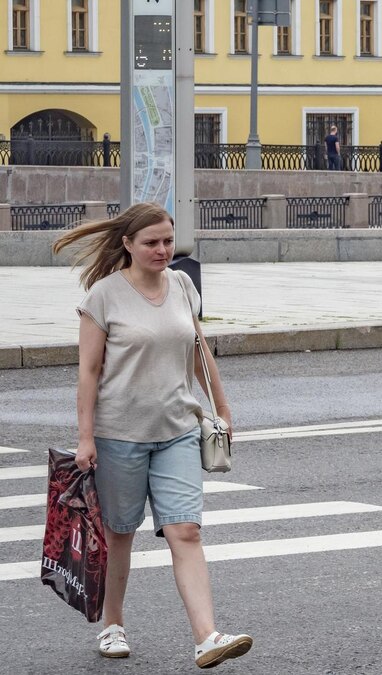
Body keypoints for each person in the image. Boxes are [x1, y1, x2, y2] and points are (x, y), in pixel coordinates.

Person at [50, 203, 253, 669]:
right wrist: (86, 438)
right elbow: (88, 372)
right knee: (120, 534)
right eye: (151, 243)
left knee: (186, 530)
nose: (162, 250)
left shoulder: (182, 285)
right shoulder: (104, 296)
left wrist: (221, 408)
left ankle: (206, 637)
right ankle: (112, 625)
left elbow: (199, 350)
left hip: (178, 429)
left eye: (167, 241)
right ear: (128, 244)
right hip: (119, 435)